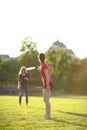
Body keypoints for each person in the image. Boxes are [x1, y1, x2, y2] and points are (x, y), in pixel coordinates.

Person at [38, 53, 54, 119]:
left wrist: (47, 85)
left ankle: (48, 115)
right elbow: (43, 71)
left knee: (46, 100)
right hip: (46, 84)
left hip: (48, 84)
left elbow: (47, 75)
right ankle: (47, 115)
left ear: (39, 58)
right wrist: (39, 68)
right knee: (45, 99)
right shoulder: (43, 64)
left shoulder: (44, 65)